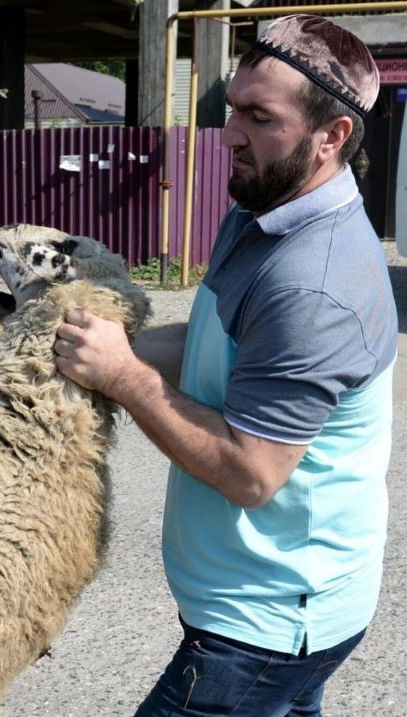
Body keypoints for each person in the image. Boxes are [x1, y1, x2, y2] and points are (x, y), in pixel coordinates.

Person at [53, 15, 397, 717]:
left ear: (332, 138)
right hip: (286, 602)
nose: (229, 133)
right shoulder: (264, 203)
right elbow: (217, 344)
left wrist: (122, 375)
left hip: (264, 628)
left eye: (259, 116)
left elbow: (251, 471)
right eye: (232, 107)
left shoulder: (312, 283)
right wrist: (97, 346)